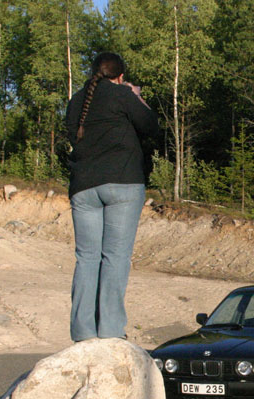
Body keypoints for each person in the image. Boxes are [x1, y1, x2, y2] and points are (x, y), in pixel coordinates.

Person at [64, 52, 158, 342]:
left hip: (83, 187)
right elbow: (151, 126)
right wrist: (136, 96)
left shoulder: (76, 101)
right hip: (123, 183)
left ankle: (83, 332)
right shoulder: (122, 94)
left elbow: (71, 137)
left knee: (87, 259)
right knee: (115, 257)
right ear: (119, 76)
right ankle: (111, 332)